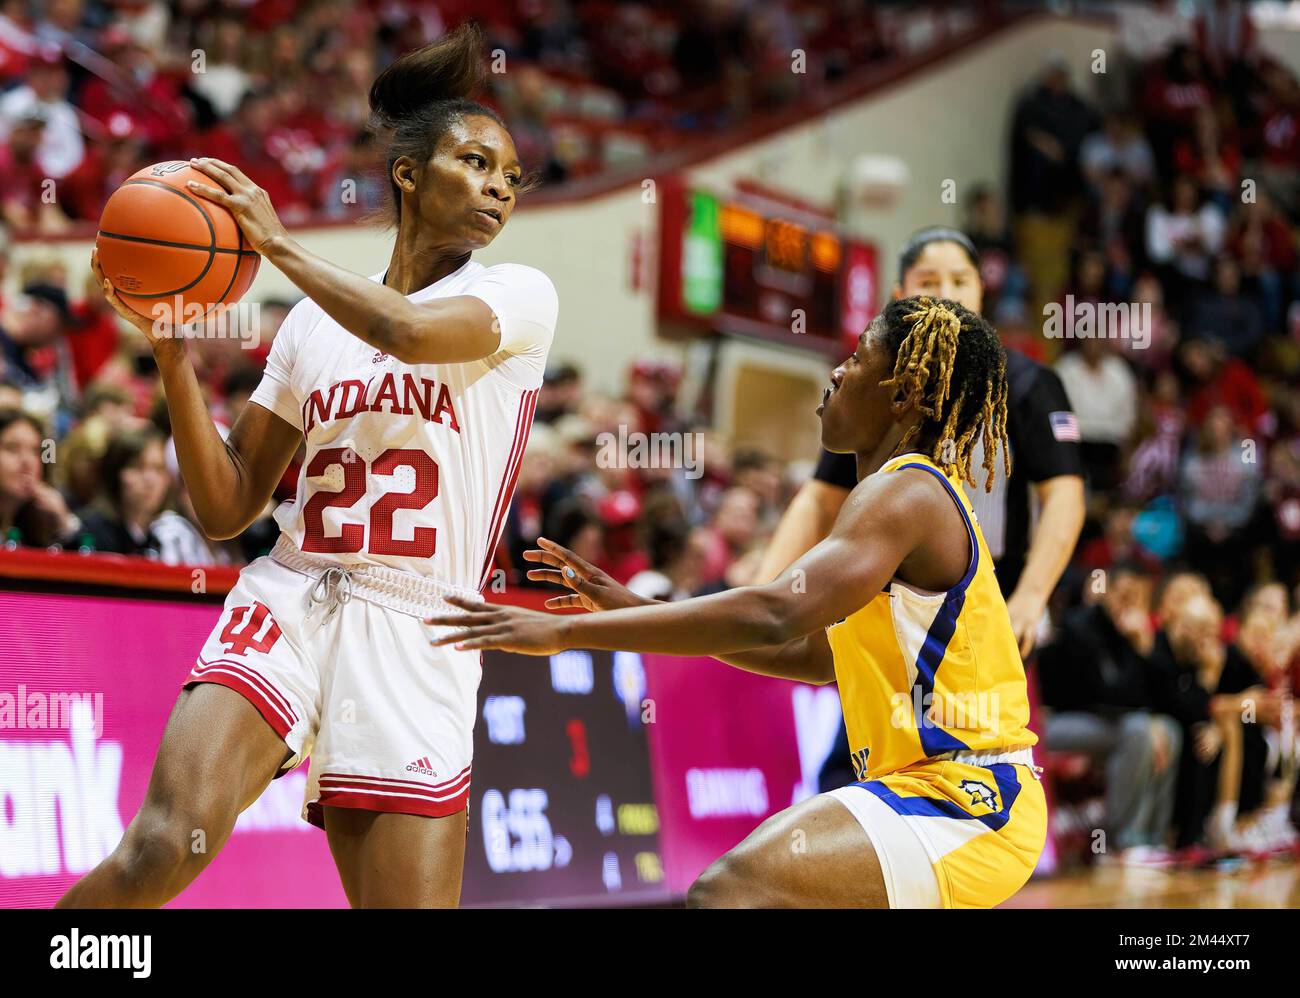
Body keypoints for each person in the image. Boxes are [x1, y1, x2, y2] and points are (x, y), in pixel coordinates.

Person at [59, 24, 558, 910]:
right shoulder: (310, 327)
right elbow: (225, 507)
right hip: (293, 594)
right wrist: (173, 357)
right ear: (408, 174)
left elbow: (405, 332)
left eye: (511, 177)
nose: (499, 188)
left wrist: (280, 247)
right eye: (477, 162)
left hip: (418, 630)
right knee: (161, 846)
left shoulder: (516, 296)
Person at [432, 298, 1047, 909]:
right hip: (936, 790)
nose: (836, 371)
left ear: (904, 391)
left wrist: (564, 634)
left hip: (966, 798)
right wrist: (624, 607)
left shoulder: (906, 493)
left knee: (730, 894)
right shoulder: (901, 496)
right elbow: (805, 652)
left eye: (857, 358)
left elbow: (777, 610)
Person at [756, 228, 1084, 658]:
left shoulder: (1028, 384)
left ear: (981, 291)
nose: (947, 294)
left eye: (961, 281)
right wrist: (765, 588)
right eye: (929, 283)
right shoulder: (876, 386)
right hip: (883, 610)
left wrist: (1030, 597)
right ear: (900, 295)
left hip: (986, 615)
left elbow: (1064, 494)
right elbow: (820, 499)